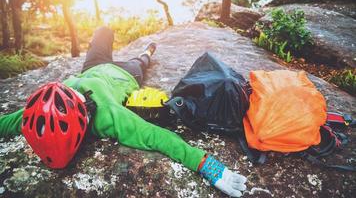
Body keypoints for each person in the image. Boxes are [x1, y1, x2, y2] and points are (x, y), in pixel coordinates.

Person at [0, 27, 247, 197]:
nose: (71, 91)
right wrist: (206, 164)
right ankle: (148, 51)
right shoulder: (107, 117)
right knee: (142, 61)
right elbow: (156, 136)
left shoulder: (41, 109)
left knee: (102, 33)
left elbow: (5, 123)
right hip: (126, 73)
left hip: (92, 68)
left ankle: (140, 50)